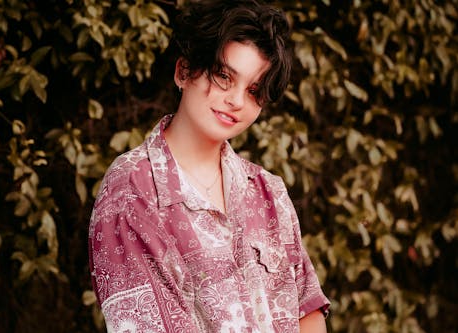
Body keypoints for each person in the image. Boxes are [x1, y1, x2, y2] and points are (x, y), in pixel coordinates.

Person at [88, 0, 330, 332]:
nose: (236, 101)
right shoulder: (132, 191)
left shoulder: (268, 192)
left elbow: (308, 311)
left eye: (253, 90)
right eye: (223, 76)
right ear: (183, 71)